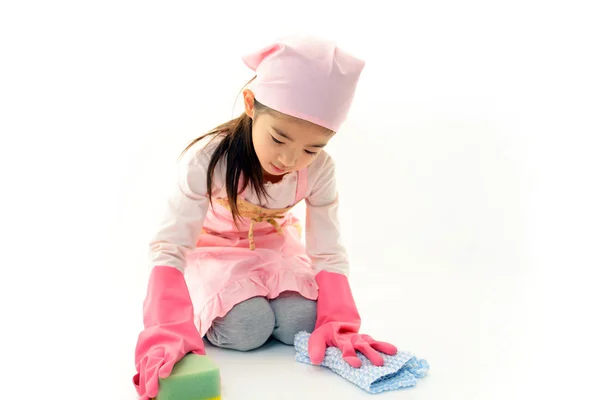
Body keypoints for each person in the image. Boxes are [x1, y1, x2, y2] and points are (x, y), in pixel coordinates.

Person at [132, 35, 398, 399]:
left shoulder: (320, 171)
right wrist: (167, 326)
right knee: (248, 327)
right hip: (214, 253)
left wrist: (339, 320)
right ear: (250, 105)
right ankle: (218, 309)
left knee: (301, 322)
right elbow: (169, 245)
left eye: (311, 148)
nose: (289, 159)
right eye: (279, 138)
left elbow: (327, 249)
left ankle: (264, 300)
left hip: (274, 250)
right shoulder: (208, 161)